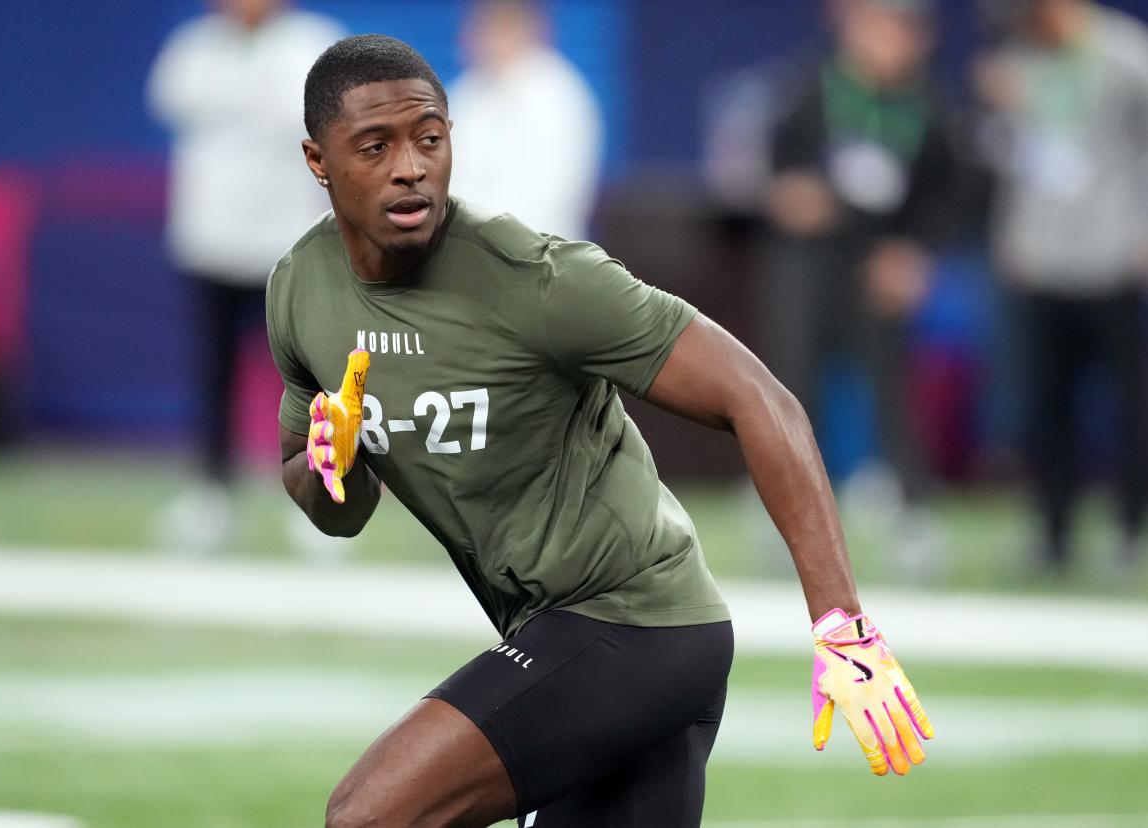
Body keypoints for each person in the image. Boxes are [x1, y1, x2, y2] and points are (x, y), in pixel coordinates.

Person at [269, 35, 933, 826]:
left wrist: (841, 625)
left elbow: (763, 400)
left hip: (638, 625)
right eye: (375, 147)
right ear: (318, 159)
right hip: (565, 633)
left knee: (367, 816)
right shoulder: (300, 291)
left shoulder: (537, 279)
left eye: (430, 139)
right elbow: (334, 509)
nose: (411, 165)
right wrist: (329, 468)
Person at [759, 0, 965, 574]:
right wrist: (792, 197)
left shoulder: (931, 105)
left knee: (892, 391)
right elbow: (773, 170)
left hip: (880, 262)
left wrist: (915, 252)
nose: (890, 43)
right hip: (808, 262)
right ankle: (786, 522)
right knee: (791, 389)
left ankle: (913, 517)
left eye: (903, 31)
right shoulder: (808, 88)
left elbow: (947, 195)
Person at [147, 0, 344, 551]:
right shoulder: (194, 49)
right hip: (211, 242)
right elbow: (170, 98)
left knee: (310, 380)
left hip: (287, 247)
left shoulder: (314, 45)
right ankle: (212, 497)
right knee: (213, 377)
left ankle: (324, 500)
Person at [977, 0, 1148, 573]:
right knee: (1045, 408)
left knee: (1130, 406)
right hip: (1039, 261)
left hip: (1112, 259)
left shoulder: (1126, 55)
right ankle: (1052, 535)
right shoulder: (1018, 61)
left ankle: (1129, 528)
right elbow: (1012, 159)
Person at [446, 0, 603, 240]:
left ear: (529, 29)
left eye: (499, 28)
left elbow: (550, 194)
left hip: (540, 256)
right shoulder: (465, 93)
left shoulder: (558, 94)